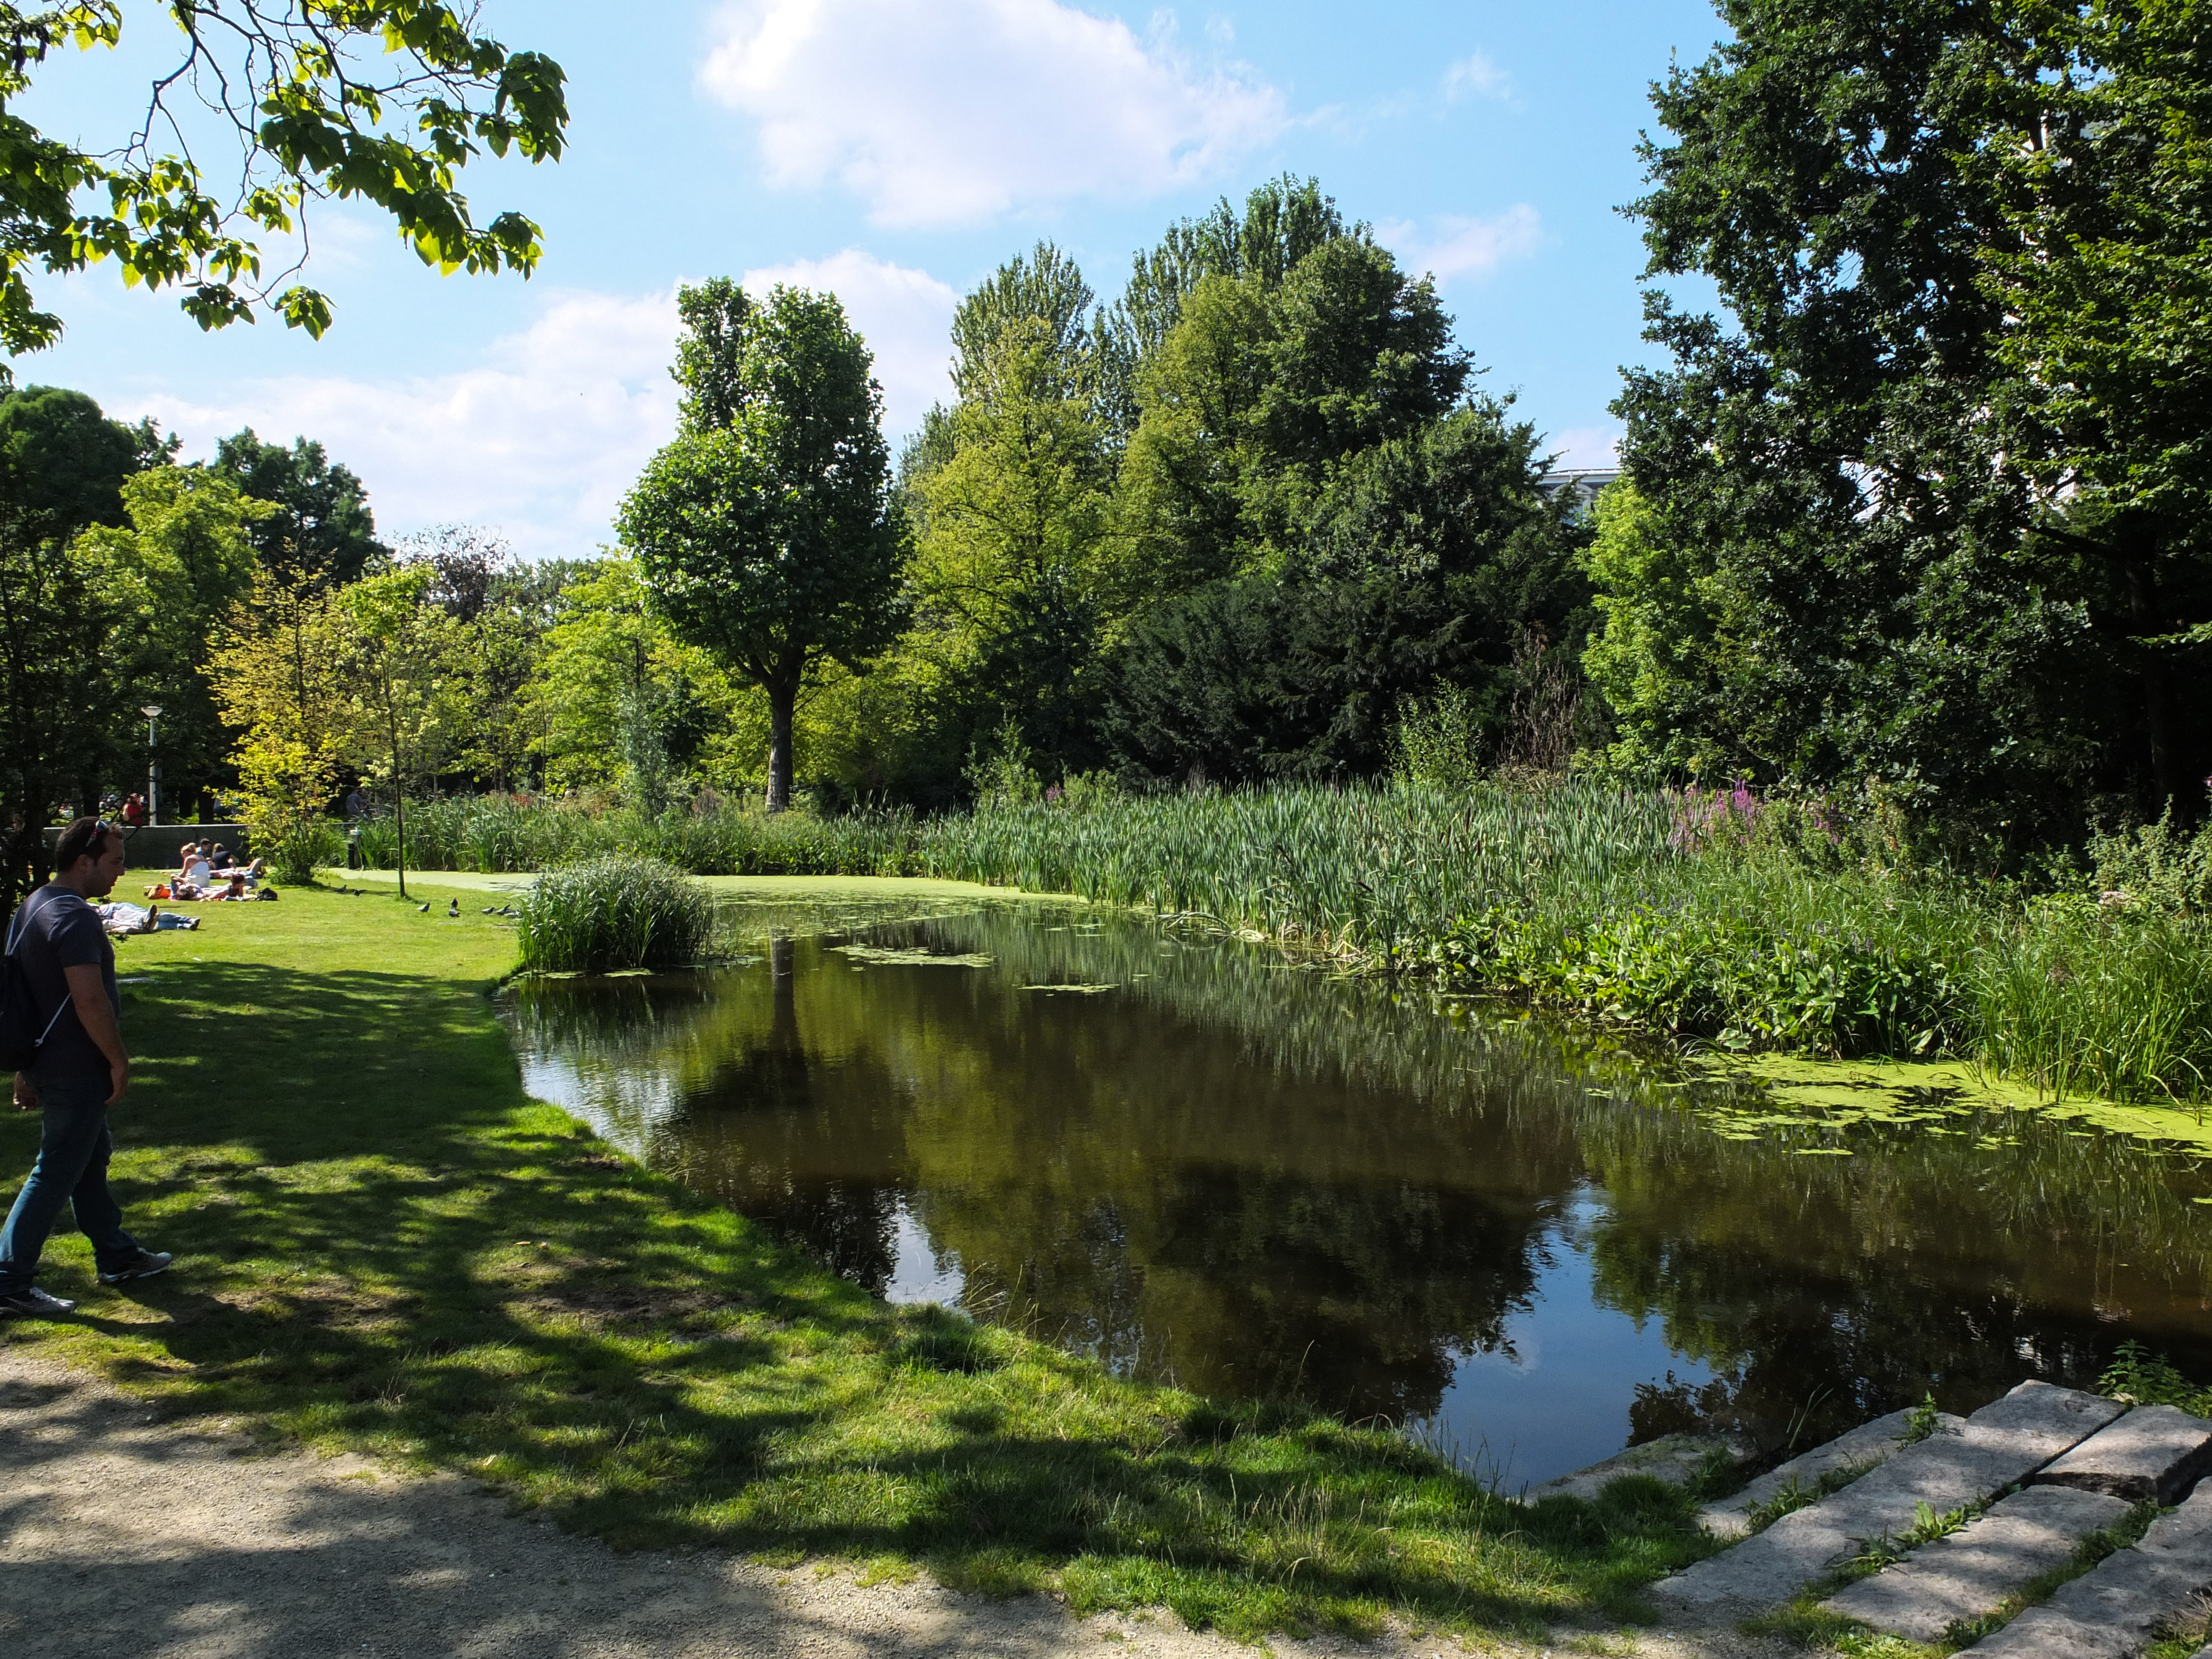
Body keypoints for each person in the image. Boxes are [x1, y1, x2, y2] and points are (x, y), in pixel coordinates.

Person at [0, 818, 171, 1317]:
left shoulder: (34, 904)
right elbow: (88, 999)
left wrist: (24, 1068)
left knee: (89, 1159)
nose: (122, 872)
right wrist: (118, 1060)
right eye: (116, 862)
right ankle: (9, 1280)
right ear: (84, 862)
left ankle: (117, 1256)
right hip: (74, 1066)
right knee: (57, 1168)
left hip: (47, 1060)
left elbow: (25, 997)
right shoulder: (73, 916)